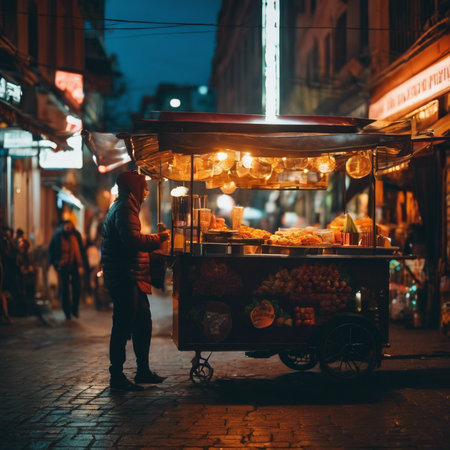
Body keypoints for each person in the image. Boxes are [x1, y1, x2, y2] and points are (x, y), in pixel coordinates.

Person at [101, 170, 170, 391]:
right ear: (134, 188)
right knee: (122, 325)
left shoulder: (127, 207)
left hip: (133, 276)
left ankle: (142, 370)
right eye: (144, 187)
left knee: (143, 324)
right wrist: (158, 239)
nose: (147, 191)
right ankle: (117, 376)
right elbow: (132, 240)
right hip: (125, 278)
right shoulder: (123, 208)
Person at [48, 220, 88, 319]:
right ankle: (67, 312)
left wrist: (83, 263)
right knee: (65, 289)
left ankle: (74, 309)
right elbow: (52, 249)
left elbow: (81, 250)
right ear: (63, 226)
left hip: (74, 264)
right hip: (63, 265)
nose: (68, 228)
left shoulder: (76, 235)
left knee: (77, 288)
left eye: (70, 226)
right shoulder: (57, 236)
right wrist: (54, 262)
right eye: (67, 226)